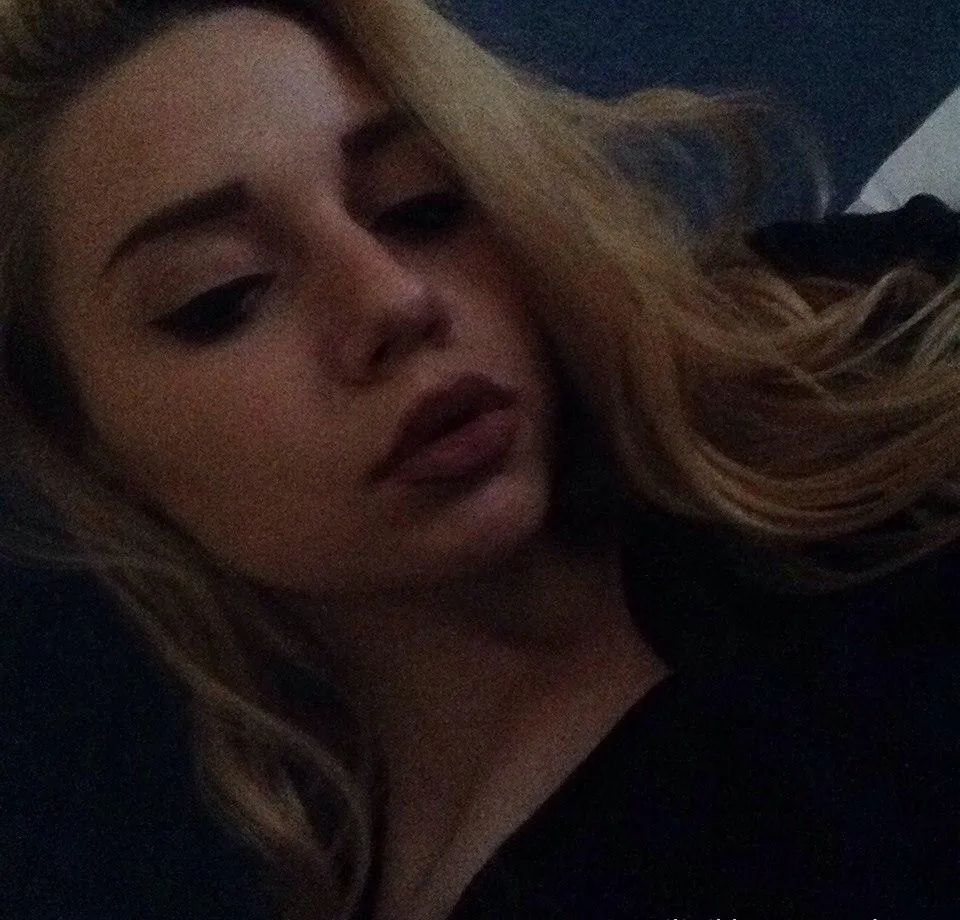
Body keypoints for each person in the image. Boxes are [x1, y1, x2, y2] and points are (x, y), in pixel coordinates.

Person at [0, 1, 956, 919]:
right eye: (225, 295)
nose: (392, 299)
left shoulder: (851, 346)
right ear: (87, 437)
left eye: (421, 206)